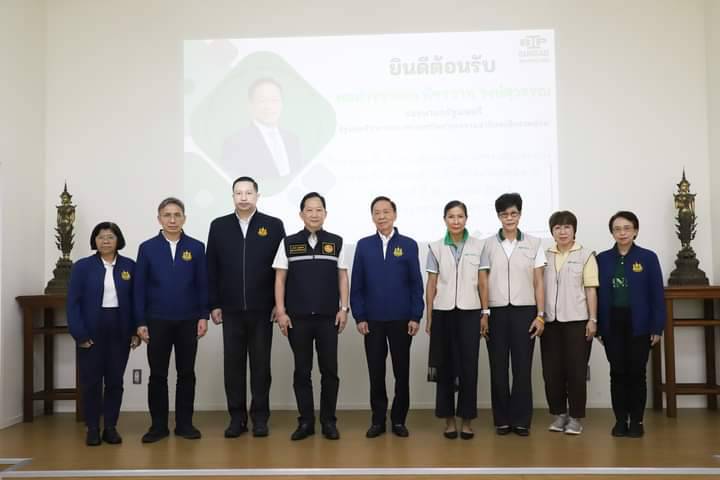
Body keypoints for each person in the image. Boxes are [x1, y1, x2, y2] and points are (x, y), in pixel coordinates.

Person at [207, 176, 285, 438]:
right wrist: (214, 303)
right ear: (232, 196)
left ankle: (260, 418)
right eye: (238, 193)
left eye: (248, 193)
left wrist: (279, 304)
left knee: (261, 367)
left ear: (257, 196)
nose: (243, 197)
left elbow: (282, 269)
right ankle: (236, 419)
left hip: (262, 310)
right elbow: (211, 267)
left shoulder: (273, 226)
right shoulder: (219, 226)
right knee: (233, 367)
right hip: (230, 310)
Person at [274, 192, 349, 441]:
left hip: (328, 318)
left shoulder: (336, 242)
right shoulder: (288, 243)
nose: (314, 214)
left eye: (319, 210)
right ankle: (305, 422)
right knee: (302, 372)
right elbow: (280, 279)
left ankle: (328, 421)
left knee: (330, 372)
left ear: (325, 214)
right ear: (301, 214)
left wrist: (344, 308)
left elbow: (342, 277)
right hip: (298, 319)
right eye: (309, 210)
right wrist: (281, 312)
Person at [134, 198, 209, 443]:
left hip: (188, 320)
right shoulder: (147, 248)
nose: (173, 219)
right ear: (159, 219)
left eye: (177, 215)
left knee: (186, 373)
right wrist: (140, 321)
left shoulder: (196, 247)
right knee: (158, 375)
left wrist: (203, 315)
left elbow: (202, 285)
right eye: (167, 215)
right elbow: (139, 288)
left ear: (184, 218)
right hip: (157, 320)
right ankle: (158, 426)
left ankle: (185, 424)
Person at [350, 196, 424, 438]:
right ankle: (378, 420)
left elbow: (416, 284)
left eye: (386, 211)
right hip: (372, 321)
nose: (381, 216)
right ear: (372, 216)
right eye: (377, 212)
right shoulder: (363, 245)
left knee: (401, 372)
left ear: (395, 214)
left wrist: (415, 316)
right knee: (376, 372)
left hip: (402, 320)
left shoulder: (409, 245)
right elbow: (357, 285)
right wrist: (360, 316)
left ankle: (399, 420)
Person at [479, 192, 546, 436]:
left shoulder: (534, 243)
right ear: (498, 216)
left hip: (525, 312)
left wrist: (540, 315)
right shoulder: (486, 244)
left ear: (520, 214)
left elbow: (539, 282)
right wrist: (484, 313)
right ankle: (502, 419)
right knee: (498, 368)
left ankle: (521, 420)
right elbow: (483, 282)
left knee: (522, 368)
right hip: (495, 311)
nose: (509, 218)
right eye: (504, 214)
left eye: (514, 213)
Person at [67, 222, 138, 446]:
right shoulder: (82, 267)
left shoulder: (129, 266)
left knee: (115, 381)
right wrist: (79, 334)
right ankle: (92, 428)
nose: (105, 241)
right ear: (94, 241)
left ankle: (110, 427)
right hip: (91, 331)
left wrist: (135, 330)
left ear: (118, 240)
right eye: (100, 237)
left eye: (110, 237)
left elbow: (136, 301)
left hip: (120, 329)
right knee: (91, 382)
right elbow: (73, 303)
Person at [597, 211, 665, 438]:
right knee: (617, 372)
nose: (622, 233)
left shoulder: (648, 257)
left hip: (640, 323)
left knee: (637, 373)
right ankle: (620, 420)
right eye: (617, 229)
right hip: (612, 323)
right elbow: (596, 295)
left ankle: (636, 421)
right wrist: (599, 326)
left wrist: (657, 327)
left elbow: (657, 295)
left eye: (627, 228)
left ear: (635, 231)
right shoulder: (602, 259)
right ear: (612, 233)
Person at [425, 200, 484, 440]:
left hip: (470, 311)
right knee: (444, 367)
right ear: (445, 219)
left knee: (469, 367)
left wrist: (485, 313)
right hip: (443, 312)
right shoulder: (435, 247)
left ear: (466, 219)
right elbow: (431, 284)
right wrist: (429, 316)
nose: (456, 221)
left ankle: (467, 421)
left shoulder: (479, 246)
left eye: (460, 216)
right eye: (451, 216)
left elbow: (483, 282)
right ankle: (448, 420)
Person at [541, 210, 598, 435]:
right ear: (552, 231)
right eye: (557, 227)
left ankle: (575, 417)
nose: (562, 231)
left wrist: (592, 319)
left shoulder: (586, 255)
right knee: (552, 372)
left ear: (574, 230)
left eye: (567, 227)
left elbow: (590, 289)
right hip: (550, 322)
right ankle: (559, 414)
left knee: (576, 371)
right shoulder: (545, 255)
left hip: (577, 321)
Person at [221, 78, 304, 189]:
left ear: (281, 104)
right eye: (262, 100)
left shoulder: (293, 140)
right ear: (251, 105)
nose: (269, 106)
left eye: (274, 100)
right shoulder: (235, 143)